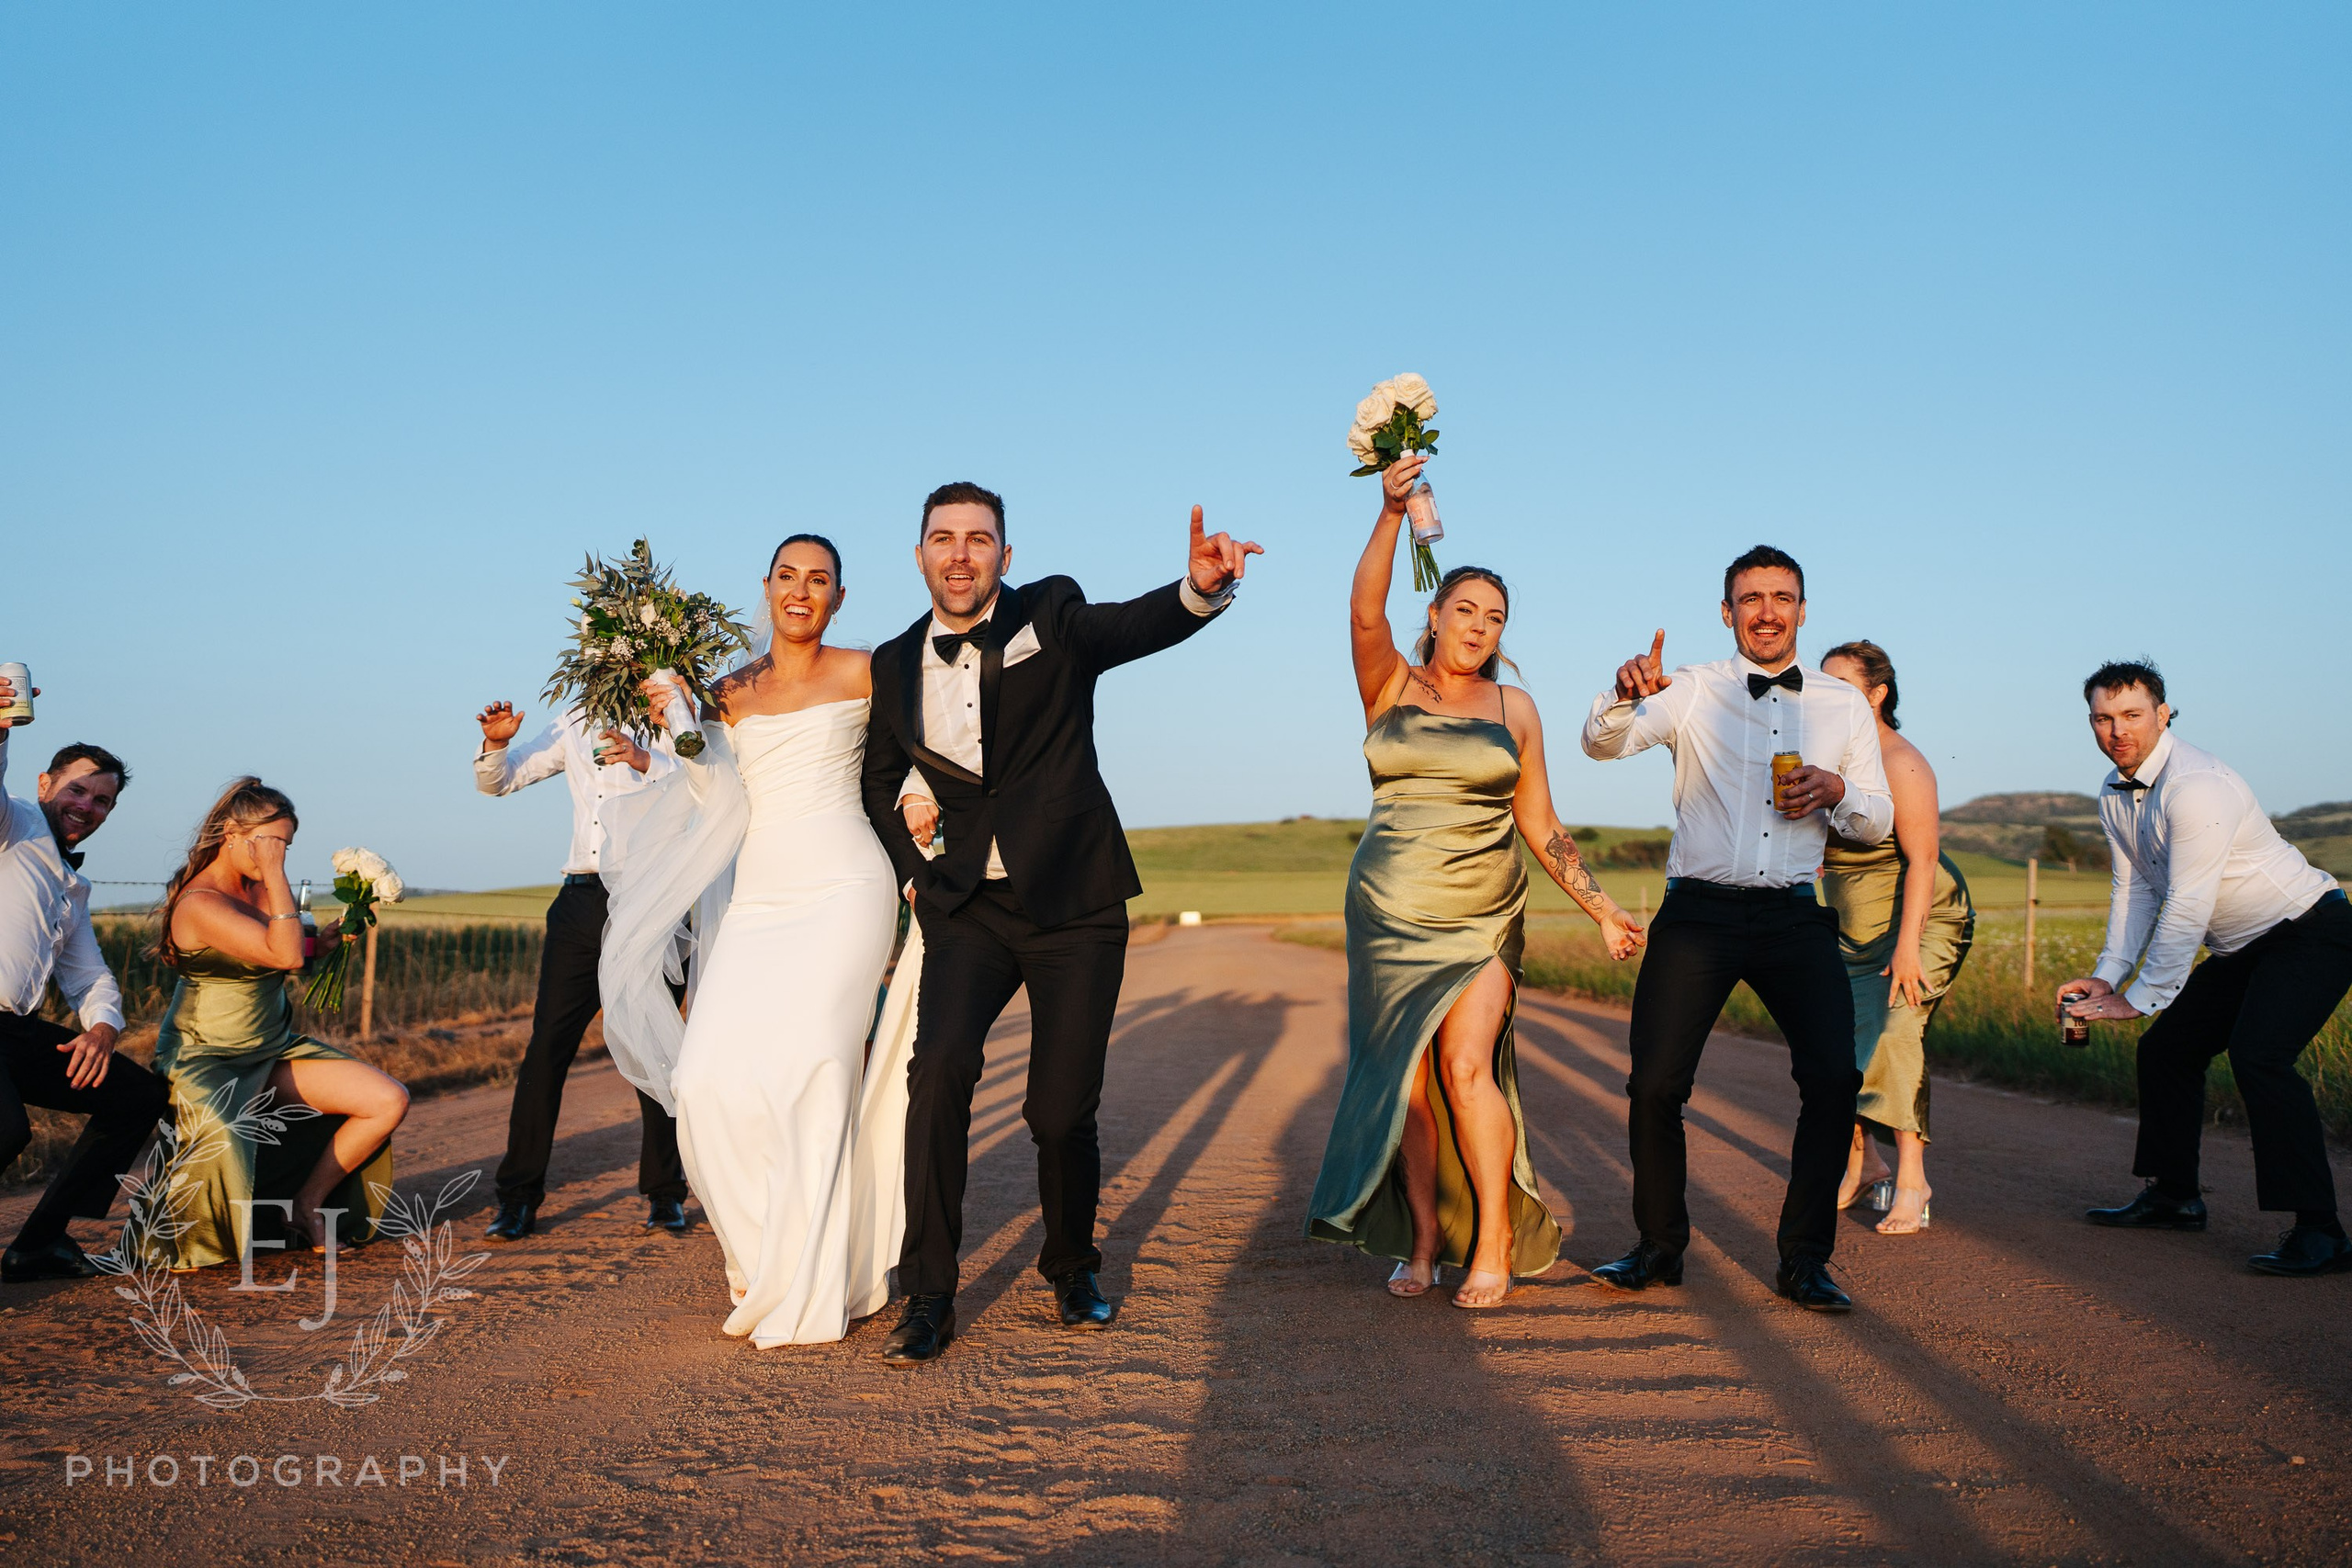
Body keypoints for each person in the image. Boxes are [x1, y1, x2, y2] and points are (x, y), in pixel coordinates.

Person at [859, 481, 1261, 1365]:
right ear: (919, 554)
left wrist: (1198, 590)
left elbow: (1130, 627)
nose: (960, 553)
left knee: (1056, 1111)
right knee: (939, 1076)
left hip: (1075, 905)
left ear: (1005, 555)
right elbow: (876, 783)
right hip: (967, 905)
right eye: (943, 538)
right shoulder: (891, 664)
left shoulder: (1052, 610)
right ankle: (928, 1292)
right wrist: (916, 878)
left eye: (978, 539)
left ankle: (1072, 1266)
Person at [1307, 452, 1644, 1308]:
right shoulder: (1389, 683)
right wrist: (1390, 512)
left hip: (1483, 911)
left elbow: (1542, 825)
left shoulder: (1513, 710)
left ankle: (1492, 1238)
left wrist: (1603, 909)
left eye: (1495, 617)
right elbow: (1359, 609)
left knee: (1465, 1066)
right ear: (1435, 613)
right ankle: (1422, 1241)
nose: (1480, 626)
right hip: (1387, 906)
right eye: (1466, 610)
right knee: (1409, 1087)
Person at [599, 534, 929, 1347]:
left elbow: (915, 750)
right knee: (708, 1081)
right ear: (767, 587)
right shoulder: (727, 690)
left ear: (839, 598)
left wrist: (923, 806)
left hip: (849, 884)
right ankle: (762, 1252)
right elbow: (716, 795)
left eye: (820, 580)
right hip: (760, 895)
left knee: (815, 1066)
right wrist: (680, 728)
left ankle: (816, 1273)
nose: (802, 590)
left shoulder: (867, 669)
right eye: (789, 576)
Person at [1579, 546, 1893, 1313]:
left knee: (1832, 1079)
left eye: (1782, 597)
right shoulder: (1688, 689)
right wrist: (1625, 694)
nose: (1767, 611)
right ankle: (1658, 1248)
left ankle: (1805, 1260)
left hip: (1793, 912)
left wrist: (1839, 788)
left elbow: (1878, 815)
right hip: (1699, 913)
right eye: (1750, 598)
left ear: (1803, 610)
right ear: (1728, 612)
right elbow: (1602, 743)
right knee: (1655, 1083)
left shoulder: (1841, 705)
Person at [2058, 660, 2352, 1277]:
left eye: (2133, 715)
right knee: (2168, 1051)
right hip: (2242, 948)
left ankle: (2322, 1231)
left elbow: (2188, 903)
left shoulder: (2198, 786)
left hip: (2309, 930)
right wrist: (2109, 974)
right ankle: (2174, 1196)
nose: (2118, 731)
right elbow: (2135, 888)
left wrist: (2143, 996)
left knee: (2260, 1055)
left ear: (2163, 715)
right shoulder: (2115, 792)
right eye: (2104, 718)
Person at [148, 778, 407, 1267]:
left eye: (285, 845)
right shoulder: (201, 902)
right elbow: (283, 953)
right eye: (270, 842)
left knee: (386, 1100)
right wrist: (274, 874)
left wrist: (321, 947)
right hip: (205, 1056)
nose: (279, 854)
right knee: (226, 1132)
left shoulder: (258, 890)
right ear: (232, 833)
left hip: (270, 1049)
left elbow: (286, 954)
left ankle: (306, 1204)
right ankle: (206, 1242)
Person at [472, 693, 688, 1240]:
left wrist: (646, 758)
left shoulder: (677, 712)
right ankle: (517, 1199)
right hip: (580, 901)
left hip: (649, 898)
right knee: (547, 1047)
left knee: (654, 1046)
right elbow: (498, 782)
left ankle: (665, 1194)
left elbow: (705, 784)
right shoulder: (573, 719)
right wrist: (496, 745)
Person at [0, 678, 170, 1282]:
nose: (87, 806)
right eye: (78, 790)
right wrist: (1, 726)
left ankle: (38, 1243)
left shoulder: (75, 887)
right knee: (6, 1128)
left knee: (138, 1095)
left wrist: (101, 1029)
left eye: (103, 801)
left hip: (11, 1033)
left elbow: (89, 972)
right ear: (44, 784)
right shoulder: (12, 823)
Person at [1818, 640, 1975, 1235]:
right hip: (1851, 925)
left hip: (1922, 914)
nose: (1826, 694)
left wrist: (1908, 946)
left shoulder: (1901, 760)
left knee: (1896, 1027)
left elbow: (1925, 858)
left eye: (1842, 684)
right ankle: (1863, 1166)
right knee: (1843, 1044)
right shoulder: (1820, 757)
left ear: (1877, 693)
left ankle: (1913, 1179)